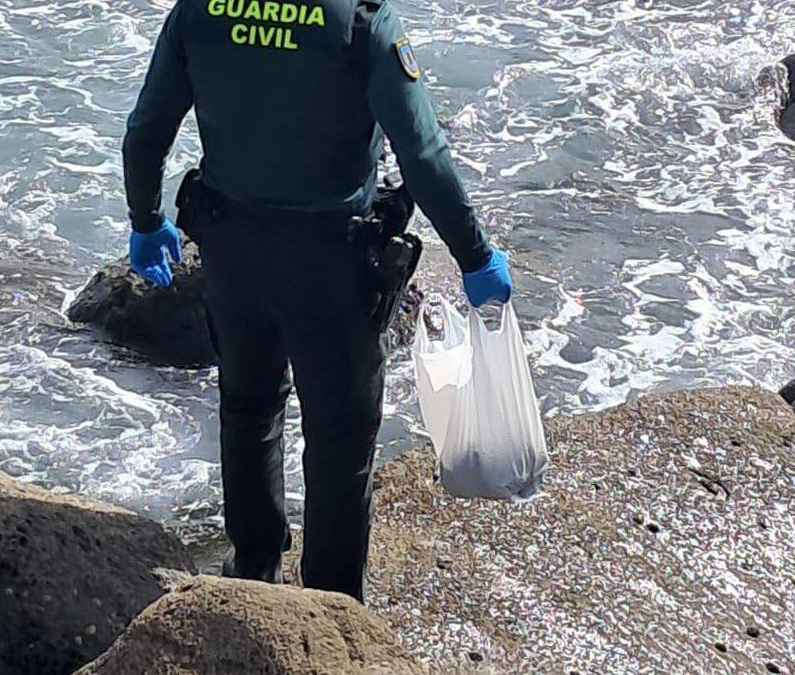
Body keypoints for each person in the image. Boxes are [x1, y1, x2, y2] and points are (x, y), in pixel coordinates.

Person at [121, 0, 512, 603]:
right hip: (331, 261)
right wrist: (475, 256)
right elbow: (422, 153)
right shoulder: (362, 22)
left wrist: (146, 219)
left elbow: (148, 129)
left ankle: (253, 578)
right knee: (339, 440)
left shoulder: (199, 11)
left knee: (249, 408)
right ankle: (330, 608)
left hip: (232, 250)